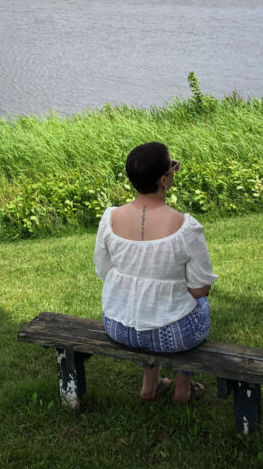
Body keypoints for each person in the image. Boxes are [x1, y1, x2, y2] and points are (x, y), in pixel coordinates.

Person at [93, 141, 217, 403]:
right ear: (164, 180)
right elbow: (200, 288)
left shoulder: (110, 218)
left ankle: (150, 385)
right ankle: (183, 389)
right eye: (171, 168)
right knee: (200, 305)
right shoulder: (186, 227)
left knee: (146, 301)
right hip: (173, 335)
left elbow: (103, 271)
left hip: (118, 326)